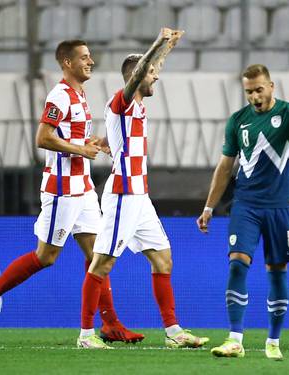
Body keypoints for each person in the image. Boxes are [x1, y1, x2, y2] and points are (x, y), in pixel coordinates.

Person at [0, 39, 142, 344]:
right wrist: (79, 148)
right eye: (85, 58)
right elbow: (43, 137)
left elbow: (74, 137)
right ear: (67, 63)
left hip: (84, 187)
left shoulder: (80, 94)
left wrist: (94, 144)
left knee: (97, 255)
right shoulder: (59, 96)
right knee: (46, 256)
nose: (90, 62)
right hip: (62, 189)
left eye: (90, 57)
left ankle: (111, 324)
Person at [196, 64, 289, 360]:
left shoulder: (288, 112)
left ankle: (273, 341)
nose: (255, 97)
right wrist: (209, 207)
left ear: (271, 86)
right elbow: (225, 166)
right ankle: (235, 338)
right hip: (246, 204)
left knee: (277, 270)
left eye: (259, 89)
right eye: (249, 91)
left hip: (281, 205)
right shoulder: (238, 121)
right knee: (237, 263)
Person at [77, 28, 207, 350]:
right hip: (123, 195)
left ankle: (174, 332)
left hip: (140, 196)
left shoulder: (135, 106)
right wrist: (158, 43)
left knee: (163, 259)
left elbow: (148, 71)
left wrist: (167, 50)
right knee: (102, 262)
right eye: (152, 73)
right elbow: (139, 74)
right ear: (136, 77)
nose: (156, 78)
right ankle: (85, 335)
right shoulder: (122, 102)